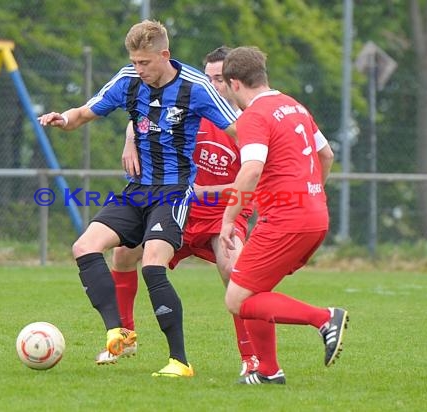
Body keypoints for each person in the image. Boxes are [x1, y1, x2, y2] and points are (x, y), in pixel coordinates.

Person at [38, 20, 238, 378]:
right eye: (135, 61)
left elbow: (241, 128)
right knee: (84, 247)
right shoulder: (128, 79)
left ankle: (180, 361)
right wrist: (62, 118)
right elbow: (84, 113)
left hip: (174, 192)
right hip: (137, 191)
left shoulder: (196, 87)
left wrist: (276, 155)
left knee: (152, 263)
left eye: (145, 62)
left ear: (165, 55)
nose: (139, 68)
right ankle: (119, 332)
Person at [95, 47, 259, 377]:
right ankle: (125, 336)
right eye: (209, 77)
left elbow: (250, 186)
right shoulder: (188, 108)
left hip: (220, 216)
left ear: (233, 83)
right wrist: (130, 137)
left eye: (220, 79)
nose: (213, 84)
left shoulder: (244, 128)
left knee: (235, 271)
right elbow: (143, 117)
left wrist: (206, 193)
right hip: (174, 208)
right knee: (125, 253)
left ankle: (252, 358)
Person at [218, 46, 347, 385]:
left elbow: (251, 169)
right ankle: (268, 371)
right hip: (315, 215)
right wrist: (312, 191)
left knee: (237, 299)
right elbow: (327, 154)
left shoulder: (253, 116)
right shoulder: (294, 106)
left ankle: (324, 318)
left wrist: (229, 218)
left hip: (286, 221)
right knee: (255, 291)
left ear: (234, 83)